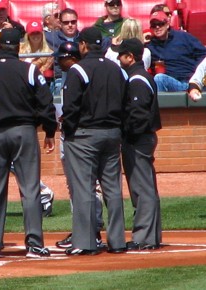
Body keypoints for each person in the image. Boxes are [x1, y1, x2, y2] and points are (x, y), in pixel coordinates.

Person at [0, 28, 57, 259]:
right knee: (30, 189)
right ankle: (34, 245)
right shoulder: (29, 69)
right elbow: (45, 103)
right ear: (18, 47)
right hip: (24, 132)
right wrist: (49, 131)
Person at [62, 27, 127, 255]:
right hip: (112, 134)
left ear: (83, 45)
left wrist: (68, 132)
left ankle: (86, 242)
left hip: (85, 136)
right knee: (112, 189)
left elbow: (70, 108)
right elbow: (125, 102)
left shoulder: (78, 69)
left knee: (84, 190)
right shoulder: (115, 68)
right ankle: (118, 241)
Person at [52, 41, 105, 250]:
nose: (59, 63)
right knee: (74, 185)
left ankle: (94, 230)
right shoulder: (69, 76)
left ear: (72, 57)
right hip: (68, 134)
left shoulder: (80, 74)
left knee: (90, 184)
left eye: (62, 59)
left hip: (79, 136)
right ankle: (81, 229)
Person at [114, 38, 162, 250]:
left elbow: (138, 115)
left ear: (130, 56)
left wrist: (129, 135)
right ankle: (151, 237)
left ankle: (144, 238)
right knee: (146, 187)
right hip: (144, 138)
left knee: (142, 189)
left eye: (121, 54)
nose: (118, 58)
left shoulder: (137, 80)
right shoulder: (141, 76)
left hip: (139, 139)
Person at [147, 11, 206, 92]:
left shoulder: (183, 37)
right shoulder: (150, 46)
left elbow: (203, 55)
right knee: (159, 78)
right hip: (169, 83)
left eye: (160, 23)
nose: (157, 27)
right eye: (154, 25)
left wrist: (197, 76)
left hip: (191, 83)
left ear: (167, 24)